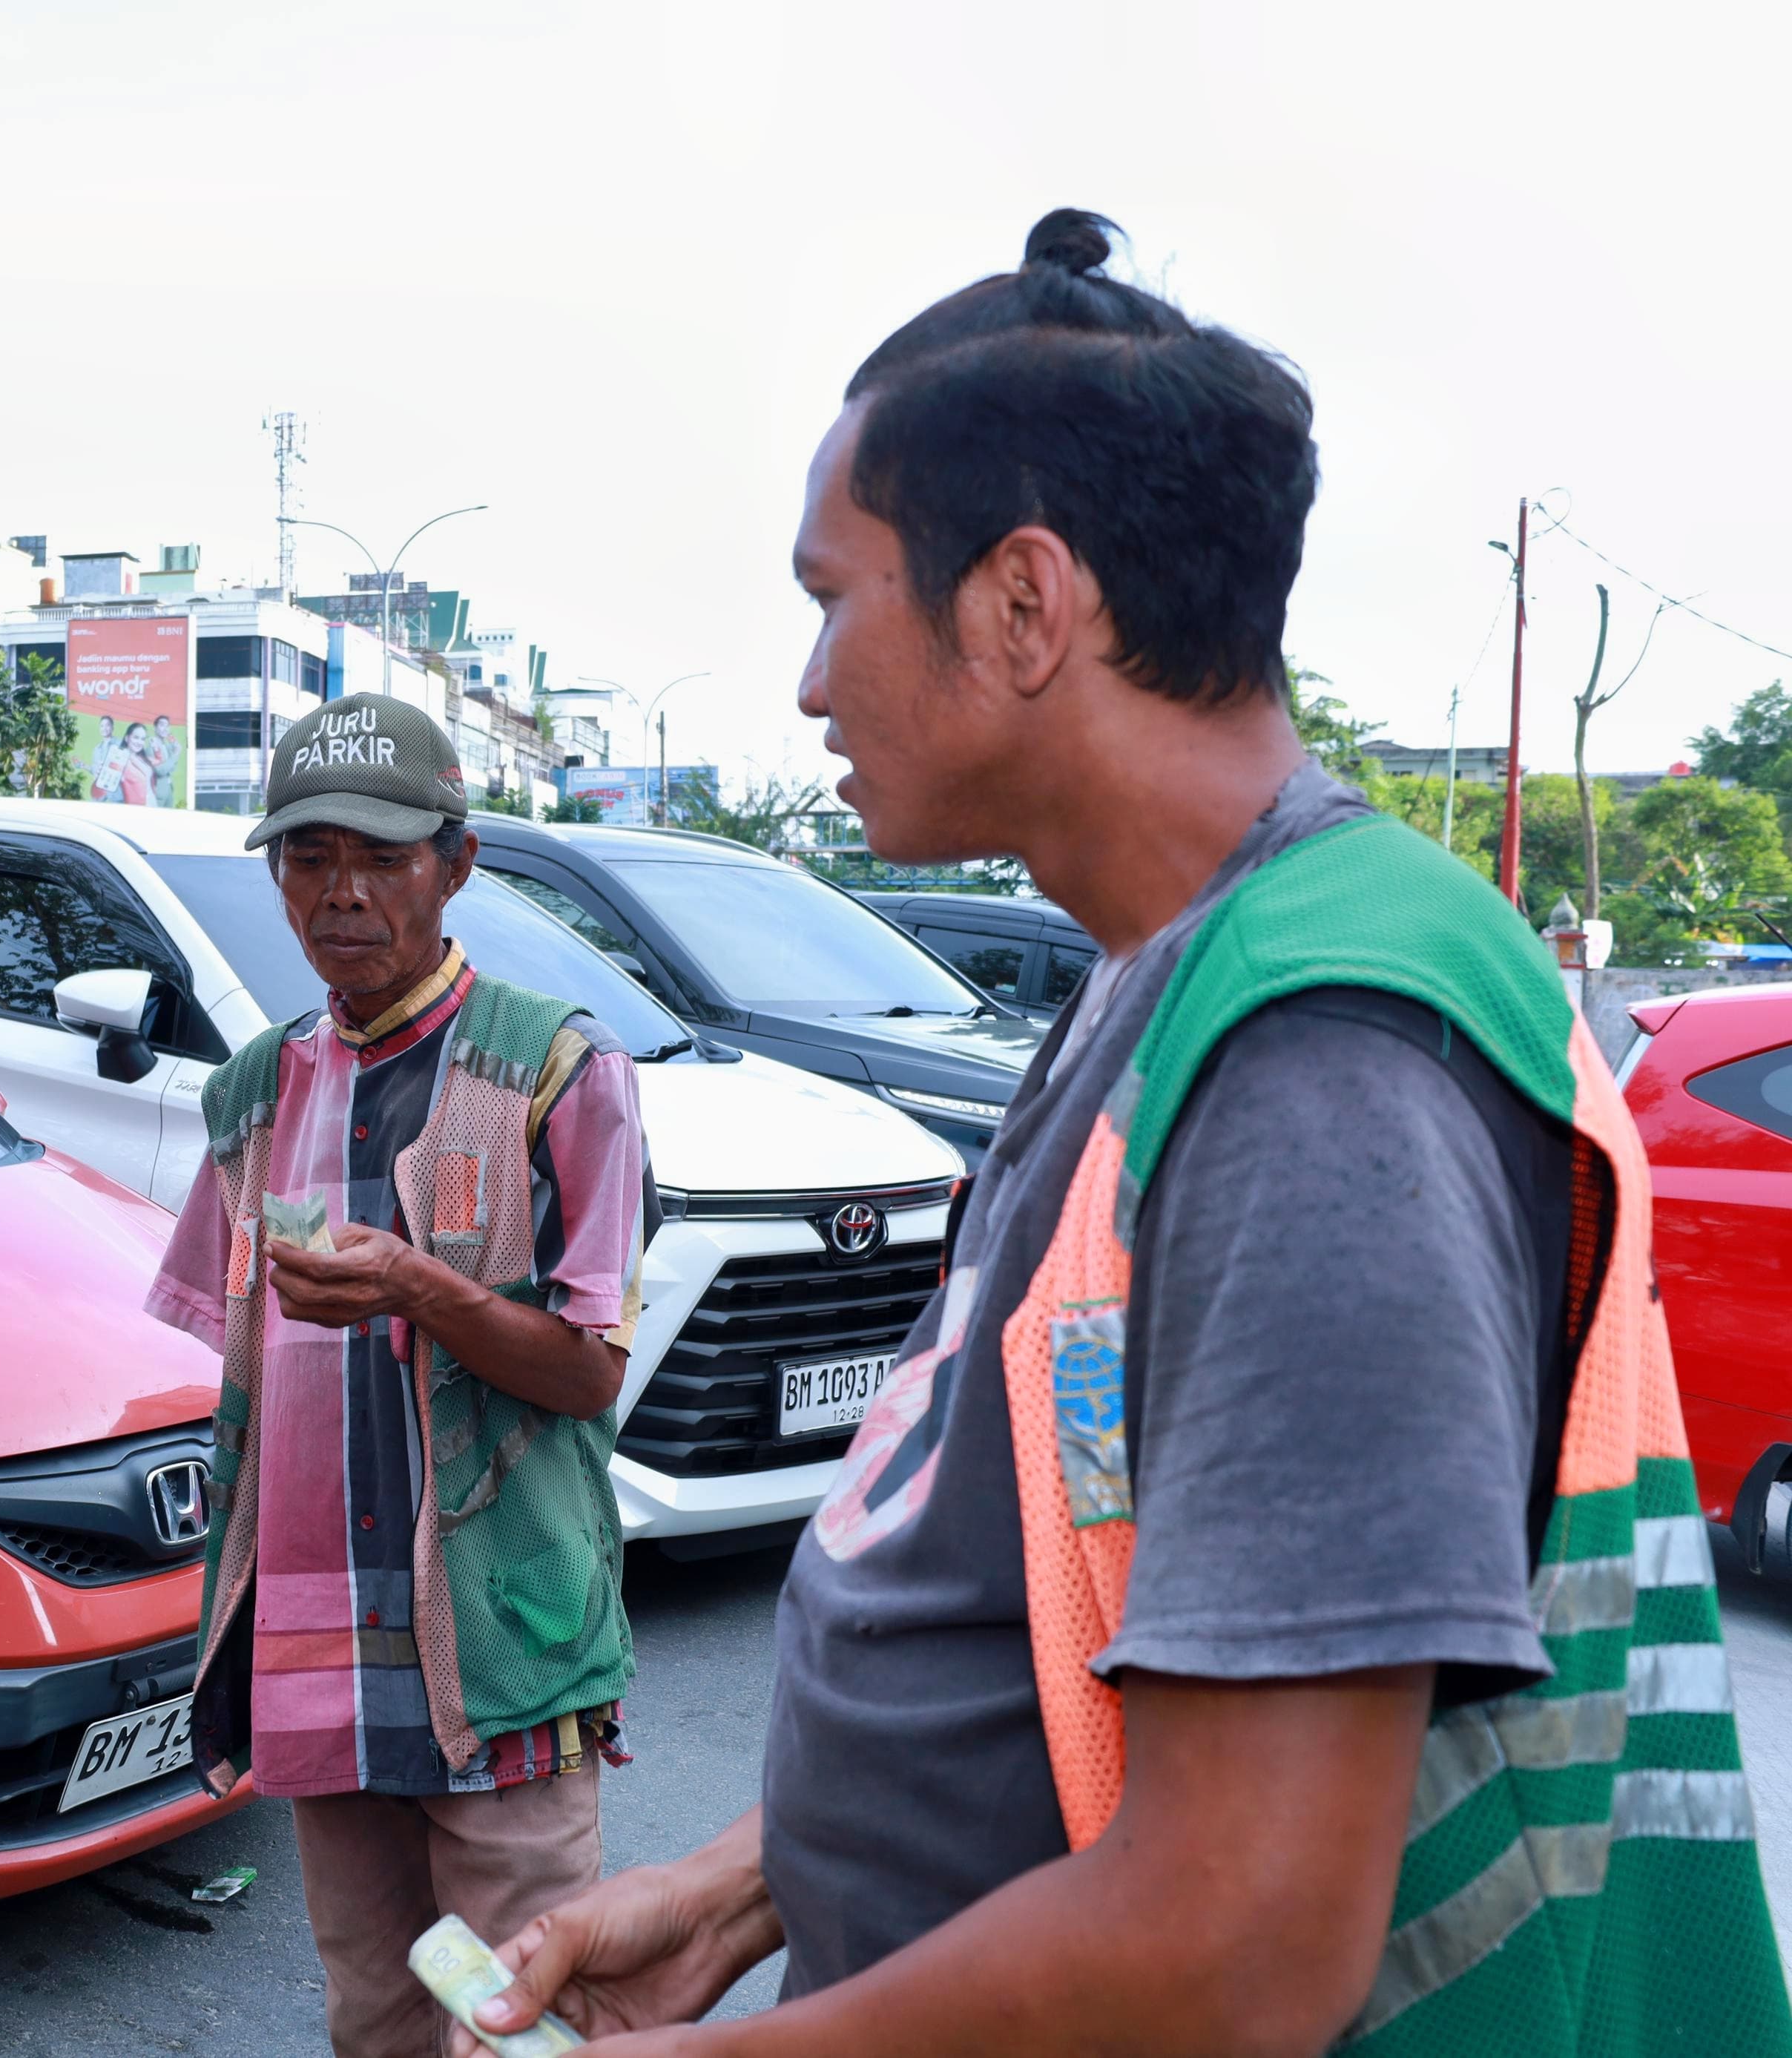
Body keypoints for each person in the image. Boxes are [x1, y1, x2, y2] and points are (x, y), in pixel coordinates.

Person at [456, 211, 1789, 2057]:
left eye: (829, 594)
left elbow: (1240, 1939)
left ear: (1021, 604)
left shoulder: (1325, 1056)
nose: (809, 682)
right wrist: (740, 1891)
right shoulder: (1167, 972)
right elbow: (1056, 1617)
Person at [144, 694, 652, 2058]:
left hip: (498, 1651)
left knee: (522, 2022)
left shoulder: (561, 1070)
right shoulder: (250, 1092)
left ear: (457, 862)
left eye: (382, 854)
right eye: (308, 856)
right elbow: (236, 1374)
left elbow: (590, 1375)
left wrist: (416, 1288)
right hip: (320, 1654)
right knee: (378, 2013)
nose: (343, 891)